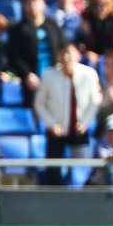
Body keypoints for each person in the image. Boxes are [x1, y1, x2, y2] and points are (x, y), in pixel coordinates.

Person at [33, 42, 102, 185]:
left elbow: (95, 102)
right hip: (56, 131)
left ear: (77, 54)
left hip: (79, 130)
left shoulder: (89, 74)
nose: (66, 57)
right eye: (62, 53)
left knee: (83, 171)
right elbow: (39, 104)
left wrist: (85, 122)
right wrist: (52, 124)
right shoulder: (49, 75)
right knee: (53, 172)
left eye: (69, 53)